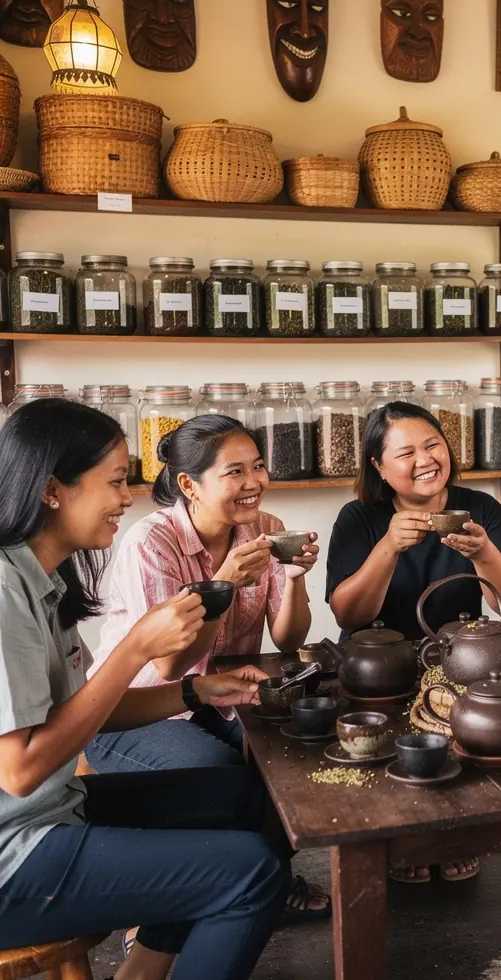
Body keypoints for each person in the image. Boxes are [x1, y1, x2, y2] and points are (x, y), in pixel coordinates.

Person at [0, 398, 288, 980]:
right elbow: (20, 770)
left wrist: (196, 692)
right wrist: (136, 648)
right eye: (113, 482)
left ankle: (141, 972)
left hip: (53, 813)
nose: (127, 498)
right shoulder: (4, 590)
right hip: (15, 855)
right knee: (253, 873)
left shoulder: (46, 578)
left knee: (247, 798)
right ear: (53, 489)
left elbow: (85, 712)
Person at [87, 414, 328, 921]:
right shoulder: (150, 544)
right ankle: (173, 909)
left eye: (258, 467)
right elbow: (171, 662)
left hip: (225, 697)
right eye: (234, 472)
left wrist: (297, 577)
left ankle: (266, 881)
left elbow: (288, 639)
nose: (253, 483)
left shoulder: (266, 529)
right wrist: (222, 584)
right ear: (188, 485)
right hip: (134, 709)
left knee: (291, 761)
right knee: (220, 775)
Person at [327, 402, 501, 882]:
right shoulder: (359, 518)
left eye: (433, 444)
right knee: (390, 747)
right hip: (381, 667)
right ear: (378, 466)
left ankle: (451, 836)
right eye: (406, 452)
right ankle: (403, 841)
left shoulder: (479, 508)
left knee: (473, 732)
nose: (425, 460)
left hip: (461, 661)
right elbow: (348, 614)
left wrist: (484, 554)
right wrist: (388, 547)